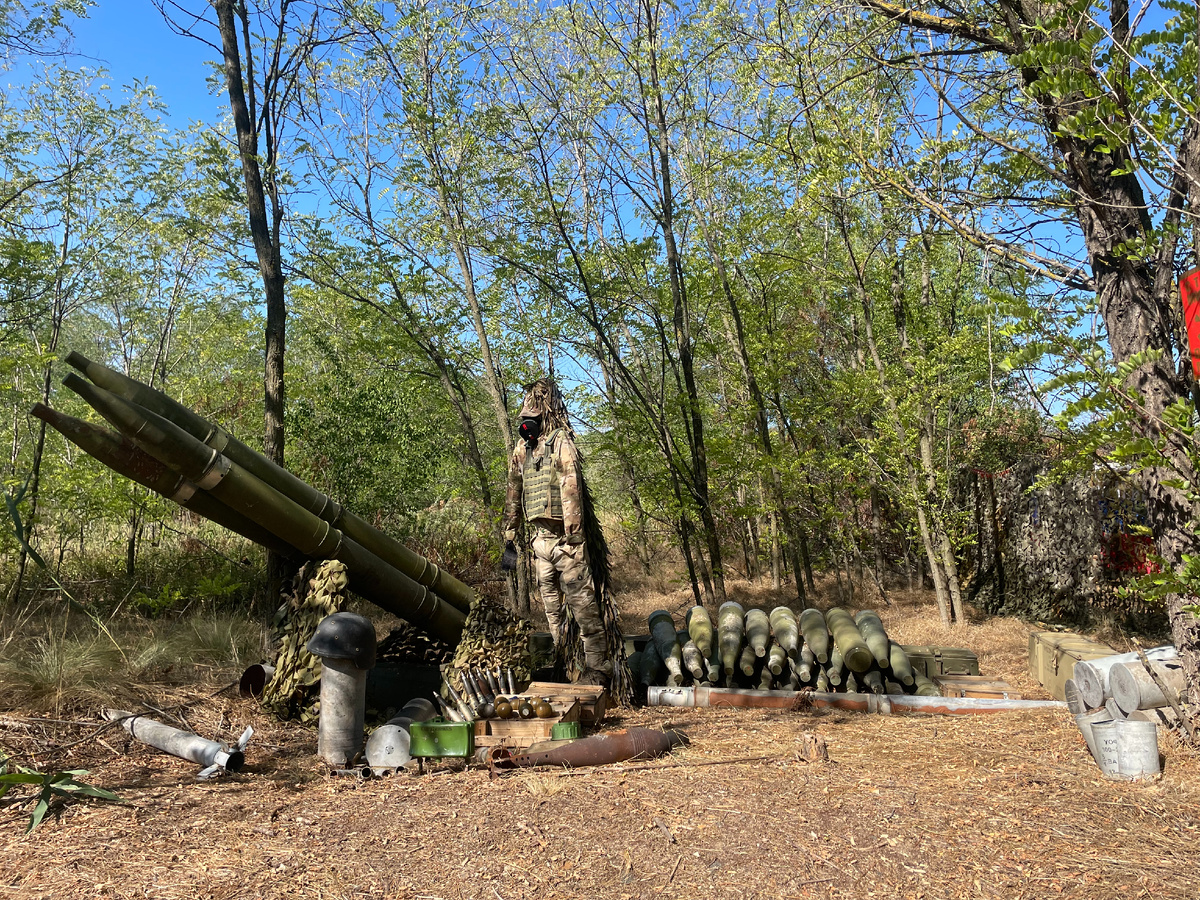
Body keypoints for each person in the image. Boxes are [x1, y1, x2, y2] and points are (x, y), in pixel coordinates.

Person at [502, 380, 612, 686]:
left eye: (532, 420)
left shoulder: (560, 442)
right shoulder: (521, 450)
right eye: (524, 421)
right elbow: (513, 491)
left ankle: (599, 670)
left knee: (584, 609)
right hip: (540, 544)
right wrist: (510, 536)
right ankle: (568, 665)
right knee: (552, 612)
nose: (527, 426)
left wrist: (574, 537)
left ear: (544, 417)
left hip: (565, 543)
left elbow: (570, 489)